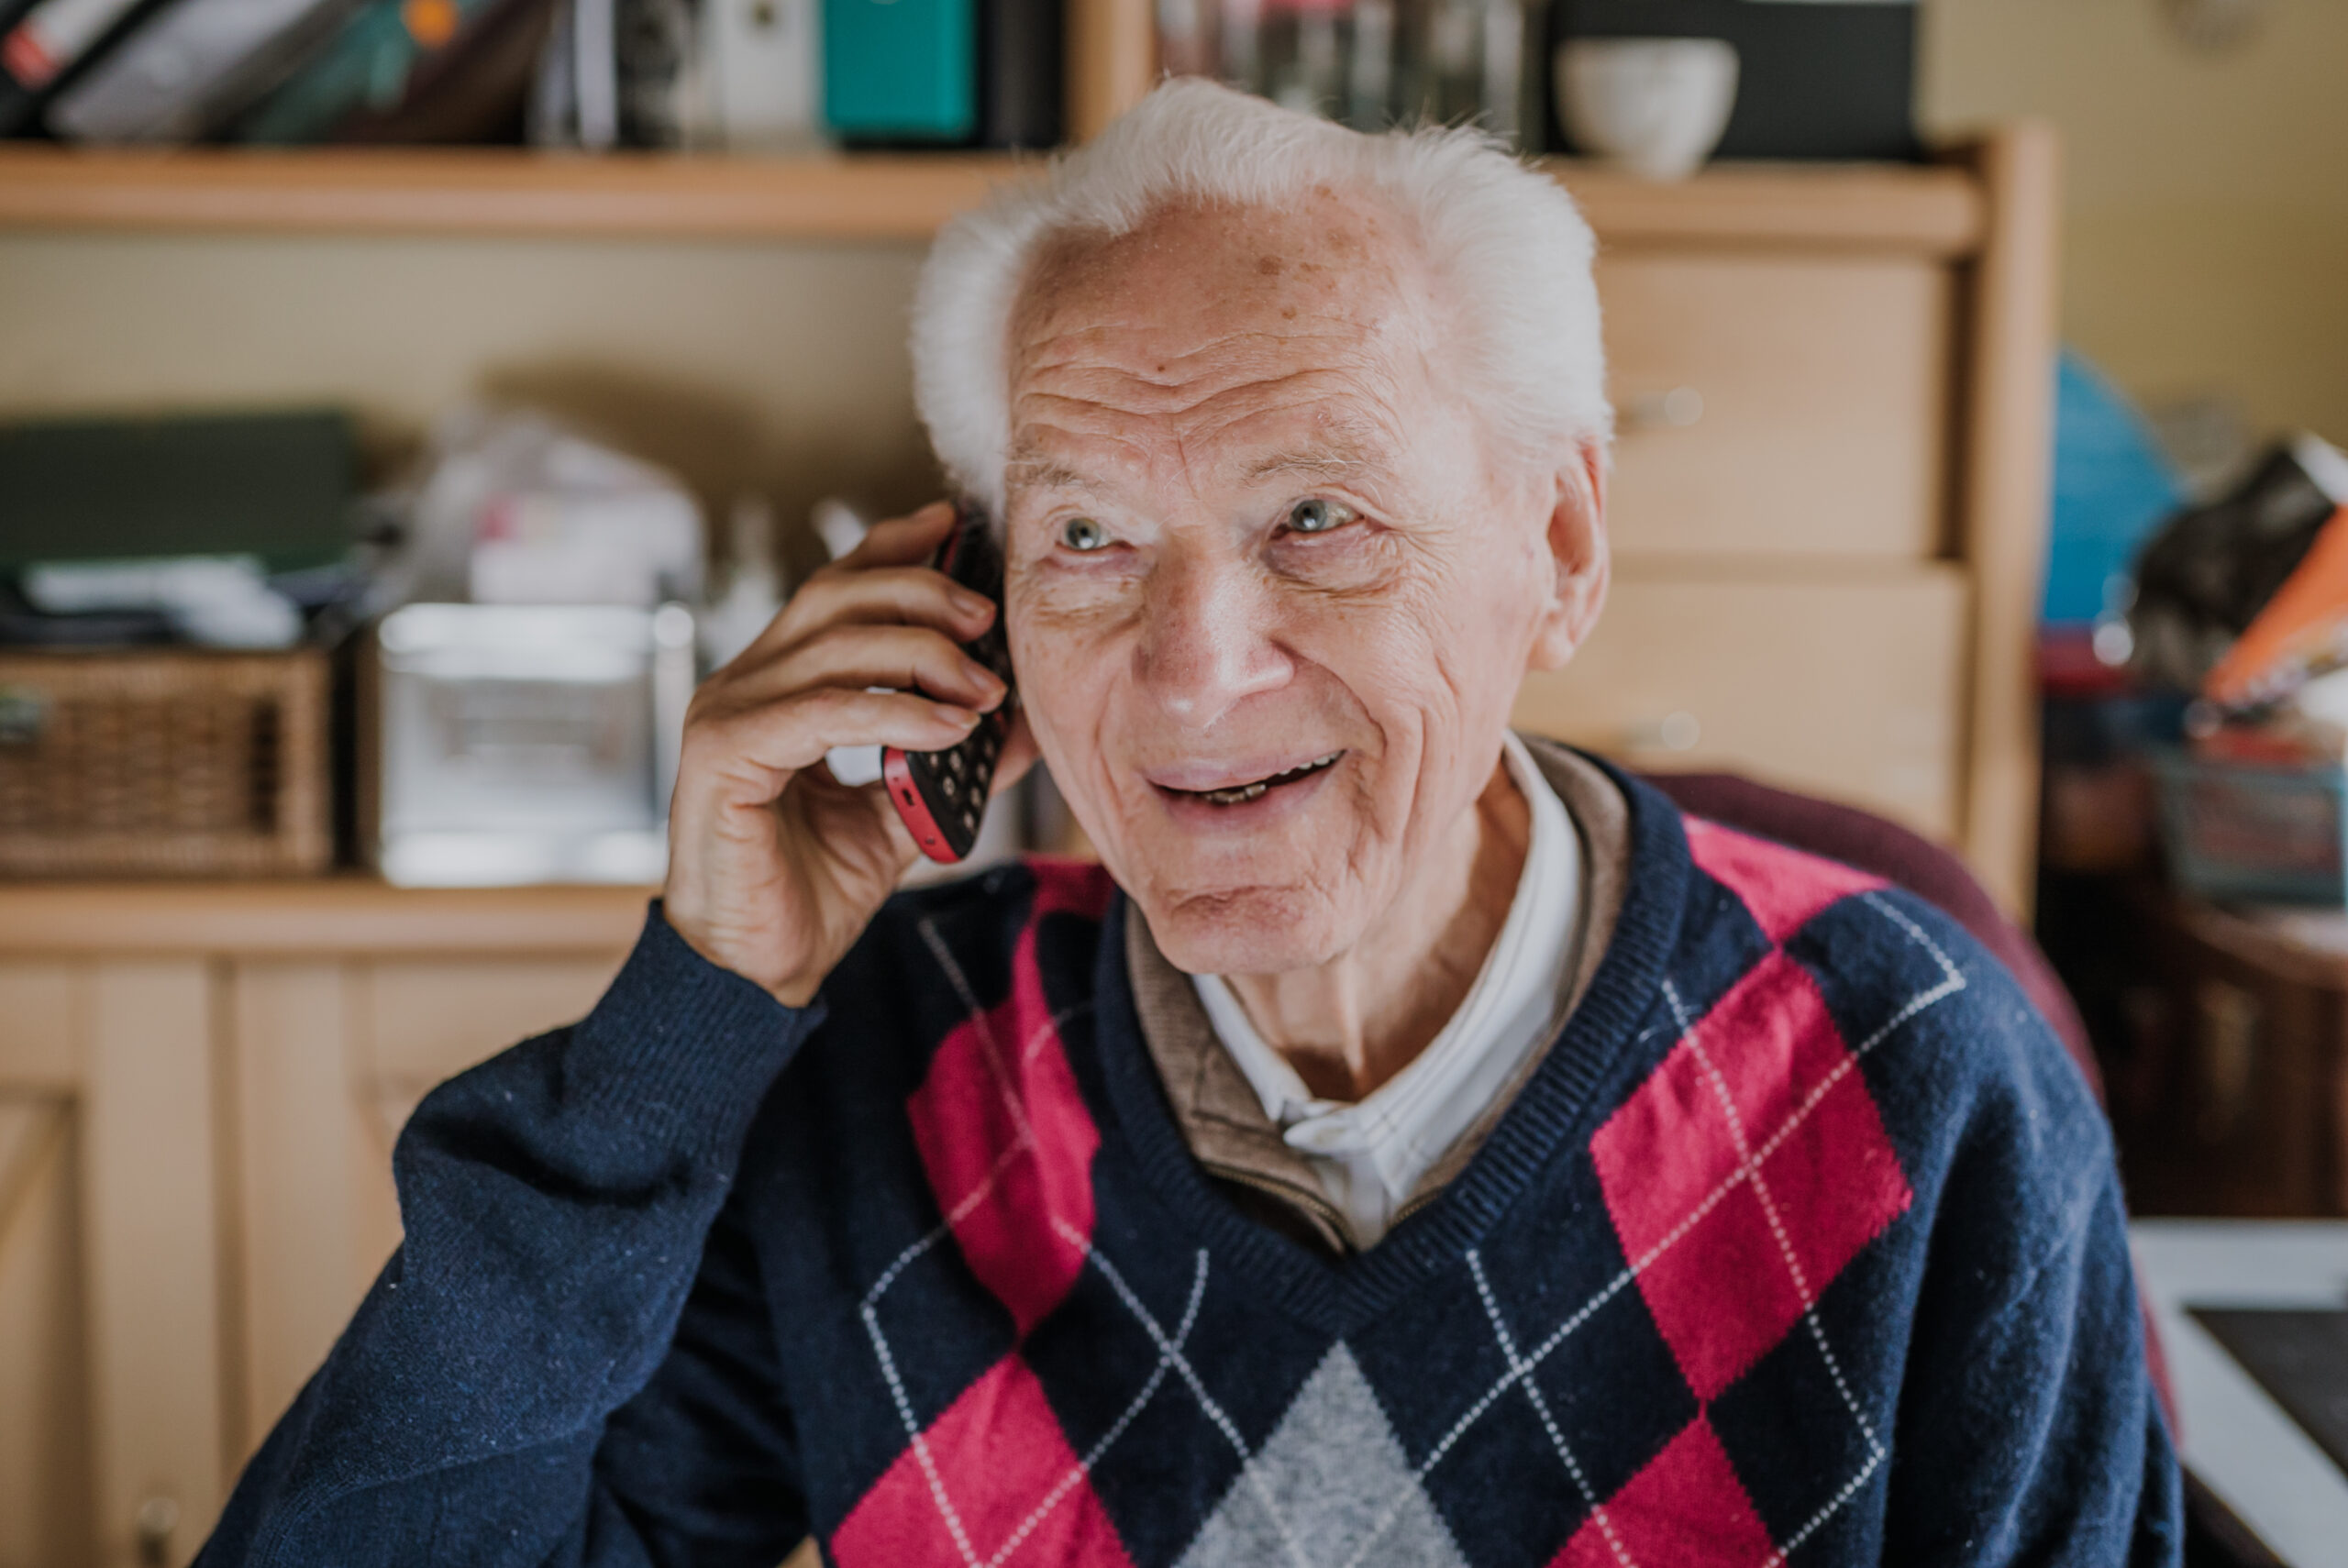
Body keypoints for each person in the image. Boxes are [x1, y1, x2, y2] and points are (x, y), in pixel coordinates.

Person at [199, 80, 2180, 1567]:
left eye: (1313, 515)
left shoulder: (1923, 1087)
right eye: (1085, 539)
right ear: (973, 601)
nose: (1186, 667)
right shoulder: (893, 1076)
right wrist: (694, 1012)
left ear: (1554, 546)